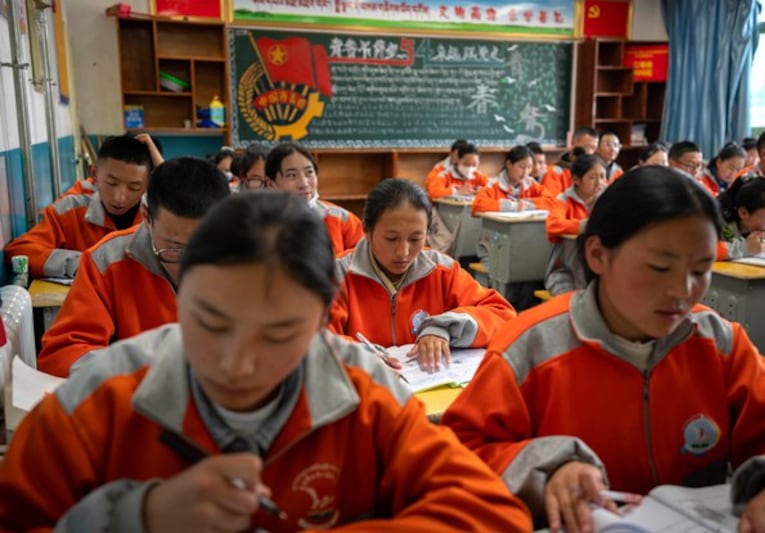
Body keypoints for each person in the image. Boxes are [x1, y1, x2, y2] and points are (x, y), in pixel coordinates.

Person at [0, 191, 533, 532]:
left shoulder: (360, 392)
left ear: (326, 317)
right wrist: (135, 518)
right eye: (211, 322)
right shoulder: (103, 399)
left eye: (280, 334)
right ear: (179, 295)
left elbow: (490, 513)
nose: (238, 362)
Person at [441, 166, 765, 533]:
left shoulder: (717, 341)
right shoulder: (531, 348)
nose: (682, 291)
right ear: (598, 255)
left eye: (701, 269)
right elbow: (460, 453)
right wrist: (546, 469)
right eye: (660, 268)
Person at [37, 157, 231, 377]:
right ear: (147, 216)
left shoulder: (255, 263)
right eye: (175, 248)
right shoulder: (106, 261)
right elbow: (63, 353)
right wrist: (140, 378)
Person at [329, 178, 515, 371]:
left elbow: (502, 314)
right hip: (365, 390)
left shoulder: (441, 270)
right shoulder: (337, 275)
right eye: (391, 239)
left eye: (416, 238)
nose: (403, 252)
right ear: (366, 229)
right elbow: (314, 340)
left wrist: (444, 327)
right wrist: (360, 357)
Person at [4, 134, 157, 279]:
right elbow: (20, 251)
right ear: (94, 174)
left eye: (134, 188)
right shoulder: (71, 208)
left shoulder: (157, 213)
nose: (119, 198)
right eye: (111, 183)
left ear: (149, 184)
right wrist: (80, 264)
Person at [264, 142, 363, 255]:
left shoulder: (340, 218)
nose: (304, 183)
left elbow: (364, 257)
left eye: (309, 172)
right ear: (270, 184)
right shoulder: (260, 223)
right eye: (291, 175)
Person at [544, 154, 607, 296]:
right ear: (576, 180)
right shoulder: (563, 200)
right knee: (574, 302)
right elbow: (553, 225)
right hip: (565, 272)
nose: (599, 183)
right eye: (592, 178)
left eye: (602, 177)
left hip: (595, 273)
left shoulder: (606, 201)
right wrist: (587, 226)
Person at [717, 177, 765, 259]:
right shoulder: (714, 222)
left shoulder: (750, 228)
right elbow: (703, 249)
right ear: (743, 213)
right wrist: (744, 248)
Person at [471, 145, 554, 214]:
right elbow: (477, 205)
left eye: (529, 167)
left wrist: (526, 204)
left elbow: (552, 201)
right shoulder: (494, 185)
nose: (525, 172)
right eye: (521, 167)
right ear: (509, 164)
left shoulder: (531, 184)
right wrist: (513, 206)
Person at [541, 126, 599, 195]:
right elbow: (551, 201)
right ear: (573, 143)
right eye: (586, 147)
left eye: (593, 148)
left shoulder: (597, 171)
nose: (589, 152)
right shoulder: (554, 172)